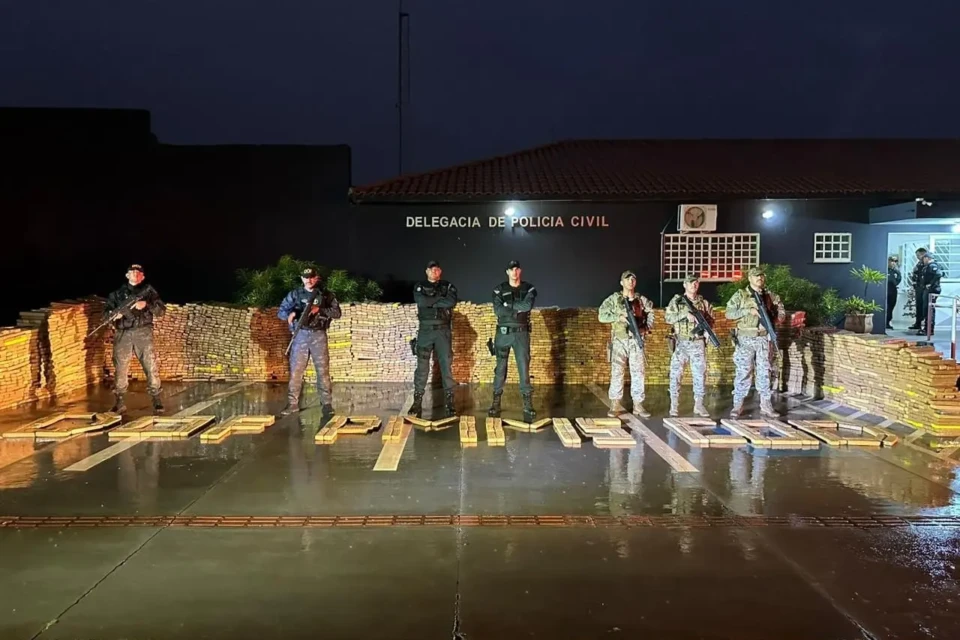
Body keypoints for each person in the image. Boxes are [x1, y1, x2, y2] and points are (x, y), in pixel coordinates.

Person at [102, 264, 166, 415]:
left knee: (150, 366)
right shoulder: (116, 295)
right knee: (121, 367)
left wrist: (146, 304)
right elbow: (105, 315)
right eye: (132, 272)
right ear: (127, 275)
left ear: (142, 277)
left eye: (138, 273)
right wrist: (113, 315)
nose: (135, 275)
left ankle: (156, 399)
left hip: (143, 332)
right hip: (123, 333)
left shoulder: (149, 293)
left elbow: (161, 311)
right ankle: (119, 402)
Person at [278, 266, 342, 416]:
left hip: (318, 336)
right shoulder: (295, 294)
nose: (309, 280)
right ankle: (292, 404)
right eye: (306, 277)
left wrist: (319, 310)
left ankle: (326, 404)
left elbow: (337, 313)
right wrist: (292, 313)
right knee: (296, 373)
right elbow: (281, 312)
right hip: (300, 335)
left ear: (317, 277)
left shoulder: (325, 295)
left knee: (323, 372)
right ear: (302, 278)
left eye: (312, 277)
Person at [724, 266, 785, 418]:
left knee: (765, 371)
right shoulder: (741, 295)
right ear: (750, 278)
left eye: (762, 276)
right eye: (756, 276)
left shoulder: (770, 296)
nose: (760, 278)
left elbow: (781, 312)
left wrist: (776, 317)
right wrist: (747, 311)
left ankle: (766, 404)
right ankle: (738, 404)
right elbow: (729, 313)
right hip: (745, 338)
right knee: (743, 371)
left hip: (764, 337)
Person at [598, 270, 654, 418]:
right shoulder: (614, 299)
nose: (631, 282)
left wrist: (645, 328)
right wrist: (618, 317)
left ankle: (638, 405)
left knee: (638, 372)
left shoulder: (641, 300)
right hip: (619, 340)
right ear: (622, 282)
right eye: (627, 279)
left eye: (633, 279)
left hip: (636, 340)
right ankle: (615, 404)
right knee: (617, 372)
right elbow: (601, 315)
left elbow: (651, 314)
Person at [488, 260, 537, 421]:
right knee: (500, 369)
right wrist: (517, 308)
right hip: (503, 334)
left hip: (521, 335)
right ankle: (496, 402)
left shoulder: (529, 288)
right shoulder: (499, 289)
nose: (514, 272)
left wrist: (508, 305)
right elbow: (498, 310)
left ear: (520, 271)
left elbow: (527, 306)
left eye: (517, 269)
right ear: (507, 272)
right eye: (511, 269)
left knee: (524, 369)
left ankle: (527, 405)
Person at [410, 260, 458, 417]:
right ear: (427, 271)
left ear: (440, 271)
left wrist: (431, 302)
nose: (434, 272)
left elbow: (451, 302)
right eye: (431, 269)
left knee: (446, 366)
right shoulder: (419, 286)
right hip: (425, 332)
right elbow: (421, 301)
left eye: (437, 269)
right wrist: (439, 300)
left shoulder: (448, 286)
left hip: (443, 331)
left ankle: (450, 403)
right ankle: (417, 402)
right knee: (422, 367)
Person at [665, 274, 714, 417]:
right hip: (681, 343)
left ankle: (699, 405)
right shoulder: (677, 302)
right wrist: (684, 314)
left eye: (696, 283)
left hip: (698, 342)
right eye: (691, 283)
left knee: (699, 375)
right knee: (675, 375)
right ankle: (674, 406)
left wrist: (707, 331)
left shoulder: (703, 303)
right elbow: (668, 318)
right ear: (685, 285)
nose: (694, 285)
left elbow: (711, 320)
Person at [917, 252, 943, 336]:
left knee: (929, 309)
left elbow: (939, 274)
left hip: (932, 290)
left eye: (924, 258)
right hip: (928, 290)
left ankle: (929, 329)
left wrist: (930, 284)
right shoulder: (927, 266)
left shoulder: (932, 265)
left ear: (927, 258)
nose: (923, 260)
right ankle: (927, 328)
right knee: (927, 309)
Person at [908, 248, 928, 331]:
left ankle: (925, 325)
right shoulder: (919, 263)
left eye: (918, 255)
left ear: (922, 254)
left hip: (923, 288)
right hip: (918, 287)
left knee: (924, 307)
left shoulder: (927, 264)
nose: (917, 257)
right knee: (918, 306)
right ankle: (918, 323)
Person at [886, 255, 901, 330]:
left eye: (895, 261)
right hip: (885, 291)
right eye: (892, 261)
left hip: (893, 291)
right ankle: (884, 322)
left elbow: (898, 280)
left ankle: (888, 322)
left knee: (891, 307)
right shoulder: (885, 270)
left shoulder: (896, 272)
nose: (893, 263)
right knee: (886, 307)